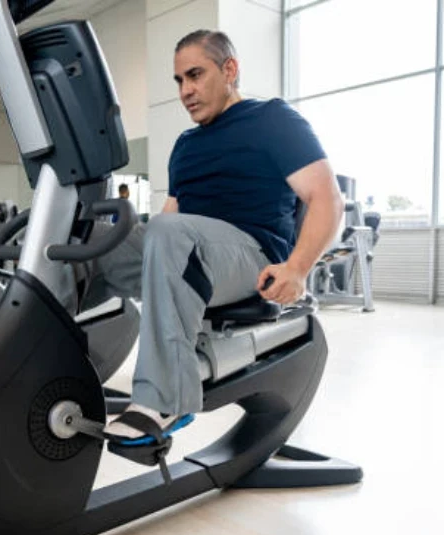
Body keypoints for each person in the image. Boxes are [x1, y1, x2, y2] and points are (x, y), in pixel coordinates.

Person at [80, 30, 344, 445]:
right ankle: (43, 354)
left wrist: (297, 269)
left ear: (230, 70)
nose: (185, 90)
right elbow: (167, 221)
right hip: (188, 253)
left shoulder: (271, 119)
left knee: (167, 234)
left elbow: (326, 198)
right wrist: (124, 242)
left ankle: (165, 400)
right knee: (91, 238)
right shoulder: (186, 145)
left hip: (250, 257)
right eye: (179, 81)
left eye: (195, 75)